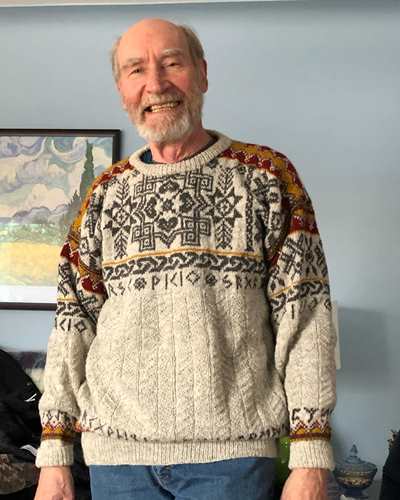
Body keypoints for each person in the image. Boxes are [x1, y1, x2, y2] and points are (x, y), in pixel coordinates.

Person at [34, 18, 336, 500]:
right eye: (136, 70)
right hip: (116, 459)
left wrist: (311, 456)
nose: (155, 83)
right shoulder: (104, 193)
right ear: (122, 90)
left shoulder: (267, 177)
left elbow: (306, 316)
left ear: (202, 73)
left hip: (231, 460)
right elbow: (73, 324)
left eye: (172, 63)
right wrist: (54, 453)